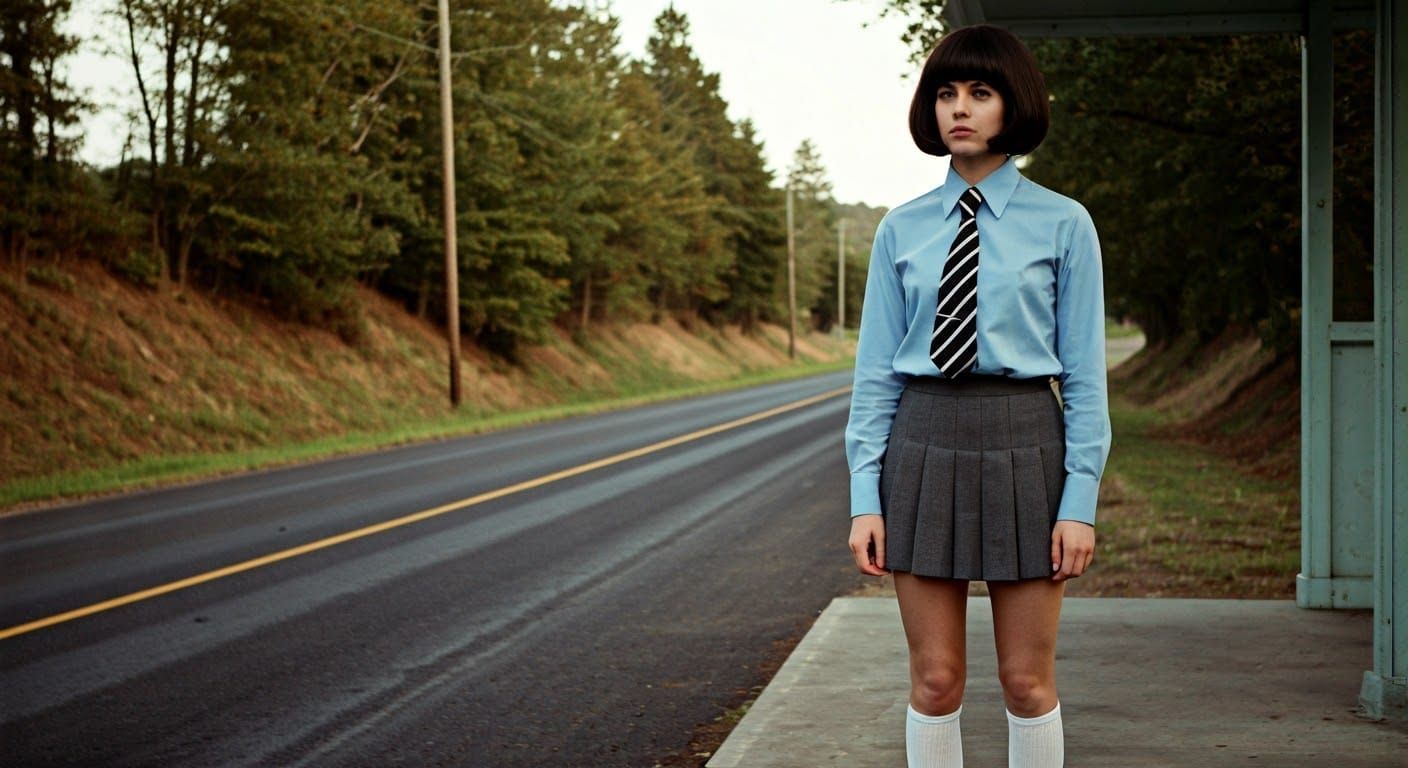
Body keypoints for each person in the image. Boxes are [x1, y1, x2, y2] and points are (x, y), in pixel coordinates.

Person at [843, 24, 1112, 768]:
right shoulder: (900, 230)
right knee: (935, 681)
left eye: (980, 92)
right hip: (922, 442)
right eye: (946, 93)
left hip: (1027, 442)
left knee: (1026, 682)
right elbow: (875, 375)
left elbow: (1086, 377)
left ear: (1012, 104)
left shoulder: (1064, 223)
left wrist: (1079, 501)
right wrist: (865, 496)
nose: (959, 108)